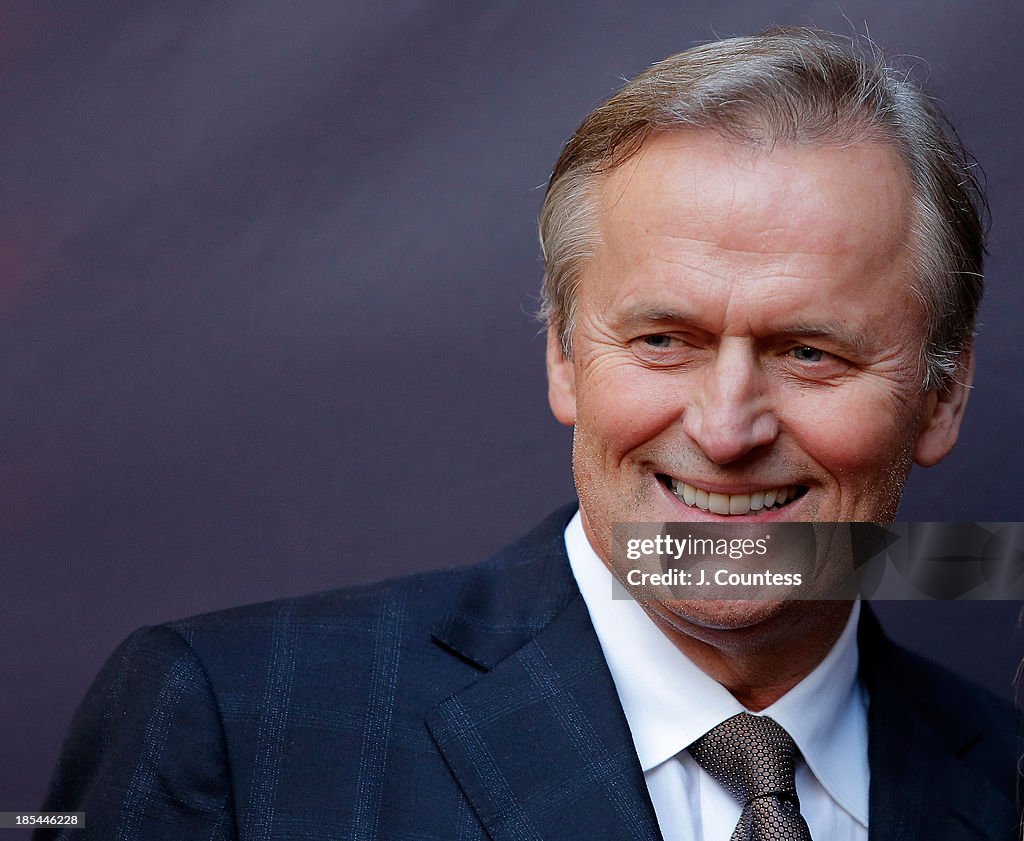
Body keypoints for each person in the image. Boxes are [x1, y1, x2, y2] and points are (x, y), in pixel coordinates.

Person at [37, 27, 1018, 841]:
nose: (725, 430)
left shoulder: (1002, 779)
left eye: (809, 351)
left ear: (941, 394)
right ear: (562, 358)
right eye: (663, 339)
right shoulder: (244, 729)